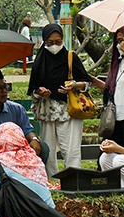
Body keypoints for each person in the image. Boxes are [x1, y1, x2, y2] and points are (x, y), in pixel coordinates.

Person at [28, 23, 95, 176]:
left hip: (69, 110)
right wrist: (40, 91)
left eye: (58, 41)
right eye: (50, 42)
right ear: (44, 41)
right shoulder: (40, 61)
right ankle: (51, 181)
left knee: (71, 150)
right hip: (48, 111)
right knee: (48, 150)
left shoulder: (71, 57)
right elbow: (33, 88)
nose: (54, 46)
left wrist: (74, 85)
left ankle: (73, 181)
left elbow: (86, 82)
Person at [0, 70, 49, 164]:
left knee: (42, 147)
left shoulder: (17, 109)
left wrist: (34, 139)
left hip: (17, 148)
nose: (4, 91)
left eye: (5, 87)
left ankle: (36, 176)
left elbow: (27, 130)